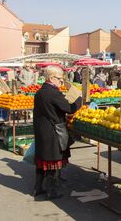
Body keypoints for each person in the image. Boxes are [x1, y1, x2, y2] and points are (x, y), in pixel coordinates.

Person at [33, 66, 82, 200]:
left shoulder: (40, 92)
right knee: (52, 162)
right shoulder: (53, 93)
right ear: (51, 78)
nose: (61, 82)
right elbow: (69, 108)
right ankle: (51, 191)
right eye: (60, 79)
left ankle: (38, 188)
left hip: (42, 131)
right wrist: (79, 100)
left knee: (43, 161)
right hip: (52, 131)